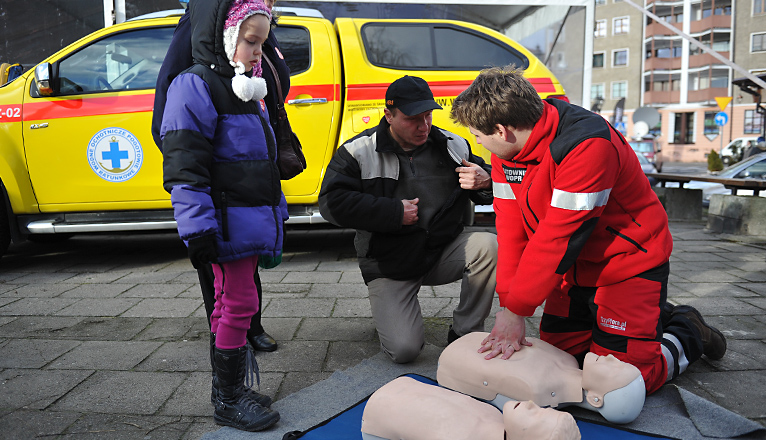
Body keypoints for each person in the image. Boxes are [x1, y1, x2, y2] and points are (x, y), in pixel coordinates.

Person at [449, 66, 727, 395]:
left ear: (501, 130)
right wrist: (510, 304)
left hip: (625, 265)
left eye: (478, 136)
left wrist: (517, 311)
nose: (478, 143)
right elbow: (512, 233)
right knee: (563, 366)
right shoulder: (507, 153)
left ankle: (687, 330)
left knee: (621, 385)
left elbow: (558, 237)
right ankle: (649, 316)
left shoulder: (587, 144)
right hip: (570, 270)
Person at [161, 0, 286, 431]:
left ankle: (227, 388)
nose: (258, 52)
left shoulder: (244, 88)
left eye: (262, 43)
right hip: (224, 223)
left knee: (228, 301)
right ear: (224, 36)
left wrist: (276, 215)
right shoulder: (195, 85)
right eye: (251, 42)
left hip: (245, 220)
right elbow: (185, 168)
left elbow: (260, 164)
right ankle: (228, 399)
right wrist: (197, 229)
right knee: (240, 302)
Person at [318, 75, 497, 363]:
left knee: (489, 245)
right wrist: (393, 212)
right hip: (390, 262)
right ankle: (392, 315)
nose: (423, 126)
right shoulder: (359, 150)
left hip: (441, 251)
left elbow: (490, 183)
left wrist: (486, 181)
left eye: (428, 116)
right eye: (413, 119)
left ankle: (465, 333)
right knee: (404, 351)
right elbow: (331, 203)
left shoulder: (453, 144)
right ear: (389, 115)